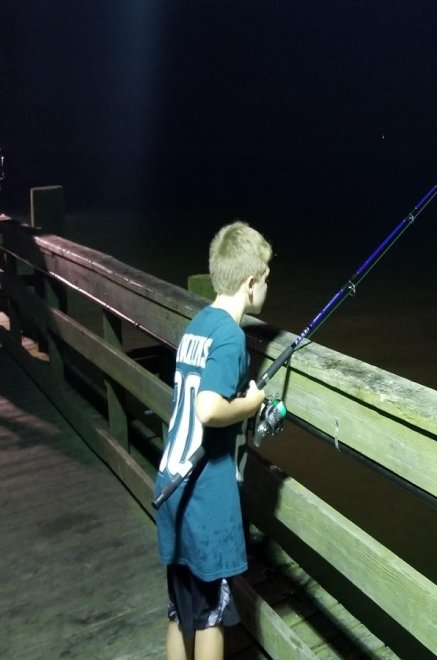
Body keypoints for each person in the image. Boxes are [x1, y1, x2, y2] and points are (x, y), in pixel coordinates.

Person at [153, 220, 272, 660]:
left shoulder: (199, 324)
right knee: (211, 615)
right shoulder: (231, 336)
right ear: (250, 283)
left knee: (180, 608)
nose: (267, 287)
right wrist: (250, 404)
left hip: (171, 481)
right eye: (266, 279)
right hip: (203, 493)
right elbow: (208, 408)